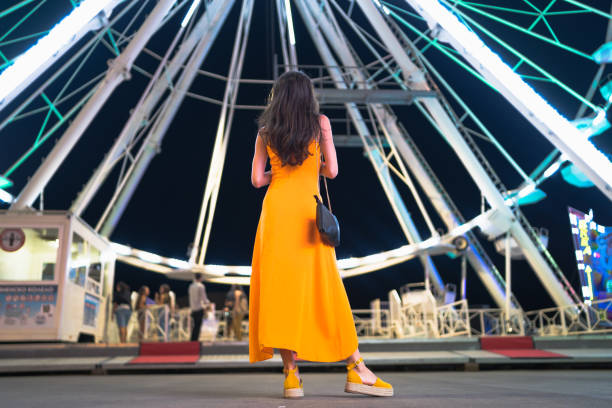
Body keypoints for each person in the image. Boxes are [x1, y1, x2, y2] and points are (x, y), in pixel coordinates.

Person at [249, 71, 393, 398]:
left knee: (280, 296)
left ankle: (291, 376)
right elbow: (332, 170)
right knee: (326, 289)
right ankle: (357, 369)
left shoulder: (265, 132)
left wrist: (281, 172)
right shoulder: (320, 125)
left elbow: (258, 180)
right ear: (307, 96)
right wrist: (308, 169)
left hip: (275, 216)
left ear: (279, 97)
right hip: (307, 216)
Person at [189, 272, 210, 342]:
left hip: (193, 309)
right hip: (199, 308)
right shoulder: (201, 286)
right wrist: (207, 304)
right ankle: (195, 341)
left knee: (195, 325)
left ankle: (192, 340)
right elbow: (204, 298)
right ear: (200, 278)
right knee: (197, 326)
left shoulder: (191, 286)